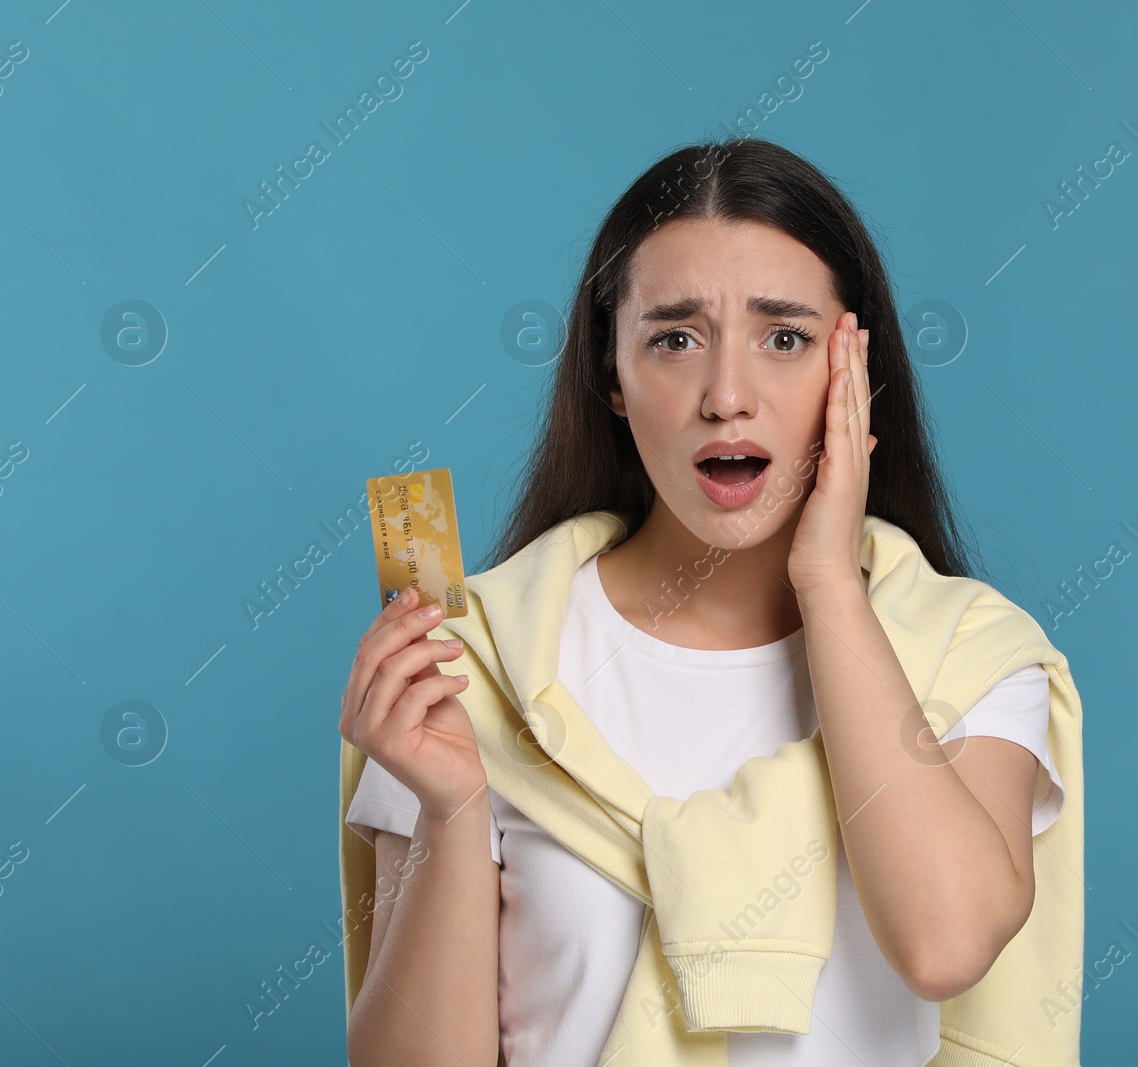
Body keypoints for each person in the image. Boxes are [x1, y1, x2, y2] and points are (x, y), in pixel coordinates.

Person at [340, 137, 1070, 1067]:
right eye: (675, 338)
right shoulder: (475, 660)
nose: (727, 396)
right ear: (612, 373)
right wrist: (450, 810)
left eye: (785, 338)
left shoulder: (969, 650)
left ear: (855, 372)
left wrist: (830, 585)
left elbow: (945, 945)